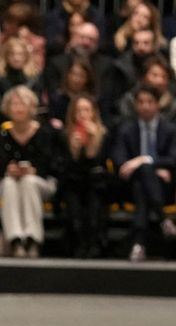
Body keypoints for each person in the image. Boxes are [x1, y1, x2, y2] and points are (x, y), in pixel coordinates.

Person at [110, 84, 176, 261]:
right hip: (129, 185)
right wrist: (150, 168)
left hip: (164, 187)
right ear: (136, 105)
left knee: (143, 182)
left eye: (149, 102)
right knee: (142, 180)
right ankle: (164, 219)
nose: (145, 106)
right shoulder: (125, 130)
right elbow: (119, 160)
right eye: (141, 102)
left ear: (157, 104)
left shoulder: (171, 130)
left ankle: (138, 244)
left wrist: (144, 161)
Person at [0, 86, 60, 258]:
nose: (18, 108)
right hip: (10, 182)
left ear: (31, 107)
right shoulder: (3, 134)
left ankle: (32, 239)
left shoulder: (45, 132)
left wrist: (34, 170)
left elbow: (54, 164)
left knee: (28, 183)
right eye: (14, 104)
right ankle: (16, 239)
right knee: (10, 184)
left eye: (22, 104)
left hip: (41, 182)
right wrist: (8, 169)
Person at [57, 95, 111, 258]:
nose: (82, 114)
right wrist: (74, 150)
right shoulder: (64, 135)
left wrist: (92, 145)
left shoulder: (104, 134)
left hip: (95, 183)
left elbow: (100, 165)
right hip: (73, 182)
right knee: (74, 212)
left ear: (94, 112)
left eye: (86, 110)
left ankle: (95, 245)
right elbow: (63, 167)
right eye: (78, 110)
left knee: (95, 204)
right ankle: (77, 245)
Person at [104, 28, 164, 121]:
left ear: (154, 45)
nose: (141, 47)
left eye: (146, 43)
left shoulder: (162, 65)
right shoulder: (120, 68)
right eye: (136, 43)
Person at [45, 22, 111, 98]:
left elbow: (106, 97)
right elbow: (54, 96)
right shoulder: (56, 64)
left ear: (97, 43)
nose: (86, 43)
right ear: (73, 38)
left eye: (91, 39)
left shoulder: (106, 66)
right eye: (82, 37)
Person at [117, 56, 176, 128]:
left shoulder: (174, 106)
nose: (159, 81)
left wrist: (157, 110)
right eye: (155, 75)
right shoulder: (130, 100)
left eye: (164, 77)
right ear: (144, 77)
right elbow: (125, 128)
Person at [1, 2, 48, 72]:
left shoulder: (37, 43)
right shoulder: (0, 40)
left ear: (21, 26)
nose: (5, 25)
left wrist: (25, 46)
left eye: (10, 22)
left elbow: (37, 69)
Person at [48, 59, 98, 125]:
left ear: (87, 79)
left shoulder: (92, 99)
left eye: (81, 75)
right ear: (68, 75)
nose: (76, 79)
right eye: (73, 74)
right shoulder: (57, 98)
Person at [0, 36, 44, 101]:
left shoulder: (35, 76)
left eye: (20, 54)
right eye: (12, 54)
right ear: (6, 55)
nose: (16, 58)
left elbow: (36, 101)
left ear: (26, 56)